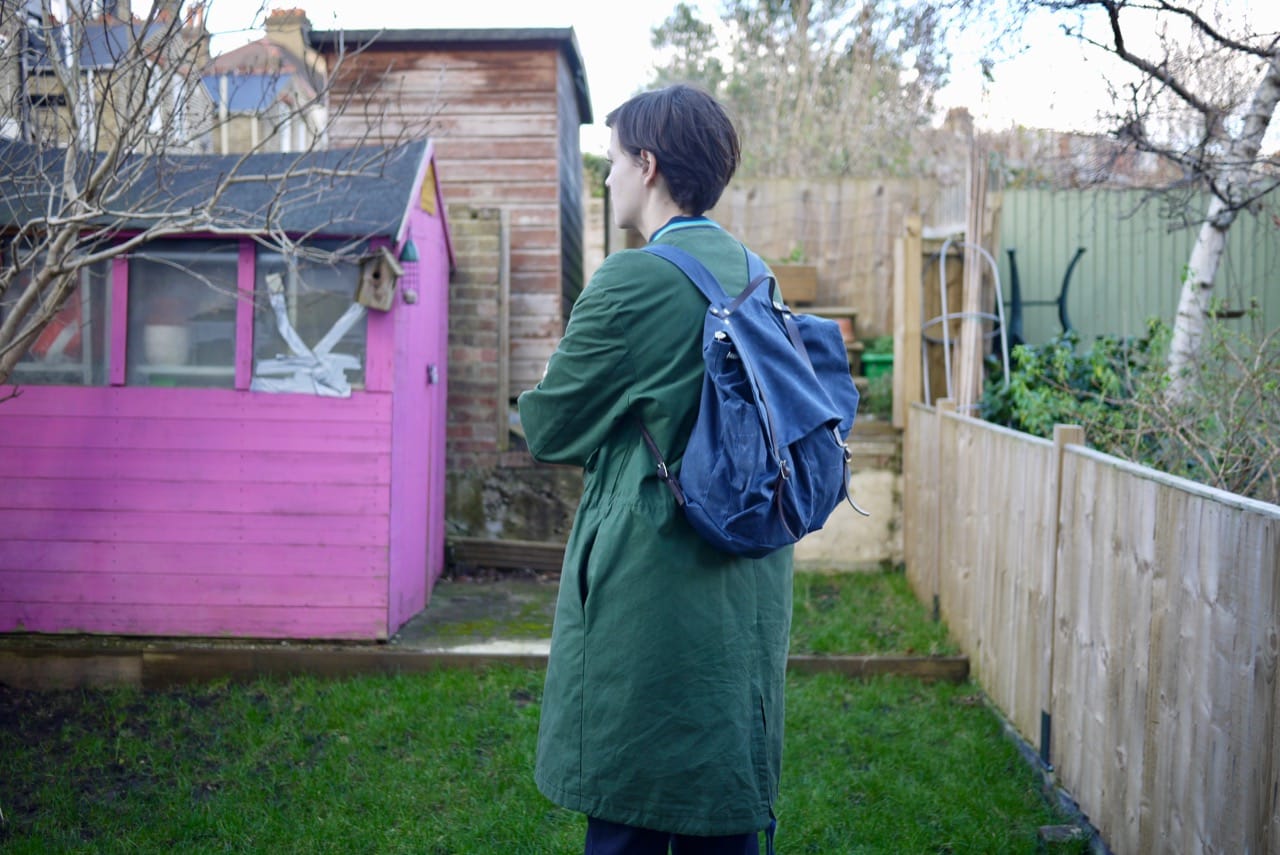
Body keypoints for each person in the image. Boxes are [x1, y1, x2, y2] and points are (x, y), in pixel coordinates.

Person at [518, 85, 792, 855]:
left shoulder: (631, 278)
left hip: (655, 573)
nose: (606, 181)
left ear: (648, 165)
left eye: (612, 163)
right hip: (748, 569)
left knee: (633, 796)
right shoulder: (755, 273)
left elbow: (550, 425)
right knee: (724, 797)